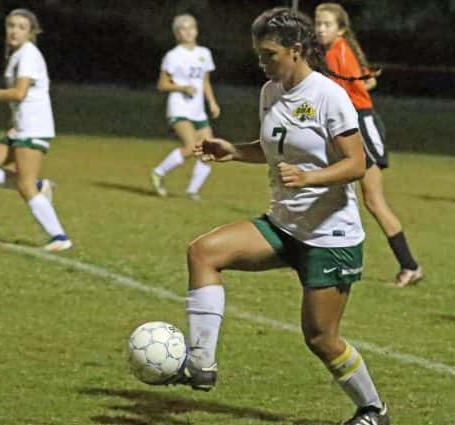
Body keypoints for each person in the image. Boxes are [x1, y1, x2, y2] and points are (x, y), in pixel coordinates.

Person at [173, 8, 390, 425]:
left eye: (269, 54)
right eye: (258, 54)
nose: (262, 62)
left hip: (330, 238)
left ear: (296, 50)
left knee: (321, 338)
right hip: (284, 226)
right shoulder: (271, 90)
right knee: (203, 253)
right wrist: (235, 150)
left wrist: (310, 176)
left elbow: (357, 164)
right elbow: (275, 147)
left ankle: (373, 410)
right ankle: (201, 363)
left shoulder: (328, 96)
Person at [314, 2, 423, 287]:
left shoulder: (338, 51)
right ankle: (316, 256)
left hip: (362, 126)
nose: (320, 28)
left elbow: (354, 92)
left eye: (326, 24)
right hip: (351, 125)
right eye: (318, 23)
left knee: (373, 200)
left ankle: (410, 266)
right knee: (335, 192)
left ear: (340, 28)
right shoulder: (335, 51)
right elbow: (361, 84)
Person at [0, 9, 72, 252]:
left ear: (31, 32)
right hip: (21, 126)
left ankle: (59, 237)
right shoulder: (18, 54)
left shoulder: (28, 54)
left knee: (24, 186)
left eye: (21, 27)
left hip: (34, 127)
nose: (14, 31)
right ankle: (40, 187)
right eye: (11, 25)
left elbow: (20, 93)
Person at [150, 14, 220, 200]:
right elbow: (162, 84)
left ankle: (192, 191)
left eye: (191, 28)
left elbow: (205, 81)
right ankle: (158, 172)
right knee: (191, 147)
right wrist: (181, 87)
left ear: (197, 30)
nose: (188, 32)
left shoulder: (204, 53)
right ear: (177, 33)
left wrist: (212, 102)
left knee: (209, 150)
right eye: (183, 28)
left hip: (198, 110)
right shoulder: (173, 56)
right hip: (179, 107)